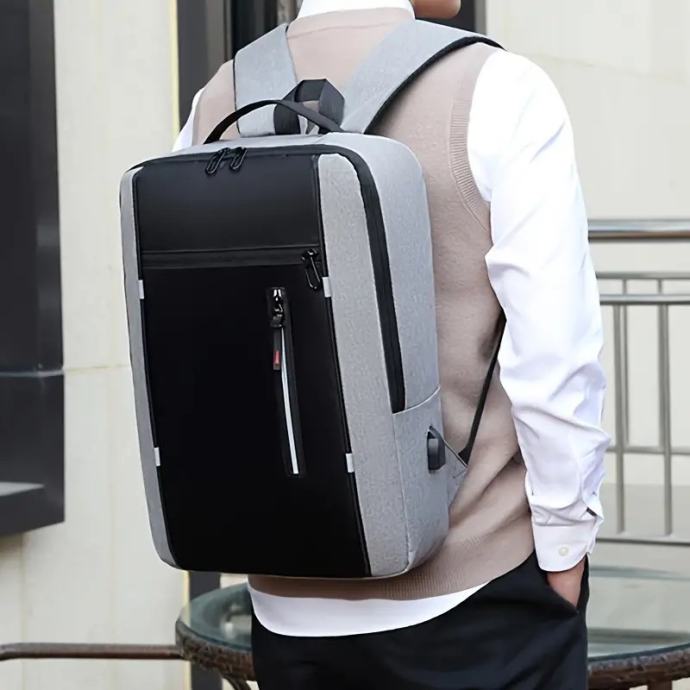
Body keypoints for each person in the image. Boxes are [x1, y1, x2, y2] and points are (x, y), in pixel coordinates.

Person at [175, 1, 610, 687]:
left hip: (287, 599)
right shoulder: (497, 86)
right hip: (476, 591)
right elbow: (556, 354)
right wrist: (565, 548)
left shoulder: (218, 100)